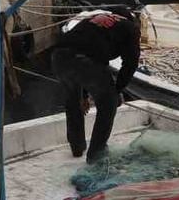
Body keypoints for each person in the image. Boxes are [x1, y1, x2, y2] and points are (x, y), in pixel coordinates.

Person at [51, 9, 140, 160]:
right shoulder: (130, 28)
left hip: (58, 58)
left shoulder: (92, 19)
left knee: (74, 101)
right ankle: (96, 154)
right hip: (85, 62)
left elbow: (82, 45)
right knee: (108, 104)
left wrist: (84, 95)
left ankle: (77, 147)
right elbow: (130, 64)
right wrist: (117, 91)